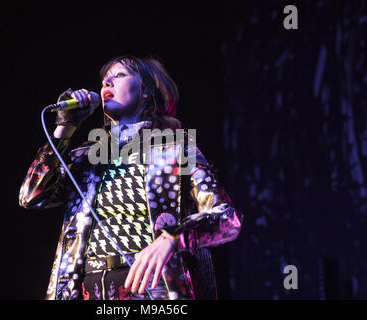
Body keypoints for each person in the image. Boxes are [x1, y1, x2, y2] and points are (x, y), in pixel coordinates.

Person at [19, 55, 243, 300]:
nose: (107, 84)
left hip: (152, 286)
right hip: (87, 288)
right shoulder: (87, 156)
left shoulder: (176, 149)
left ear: (146, 91)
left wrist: (173, 237)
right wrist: (65, 127)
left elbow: (227, 218)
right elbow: (32, 196)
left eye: (120, 75)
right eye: (104, 80)